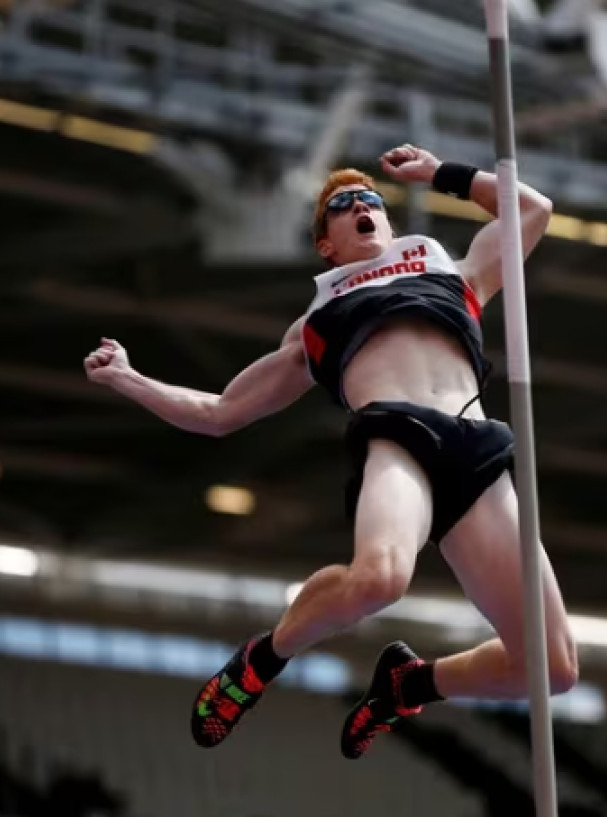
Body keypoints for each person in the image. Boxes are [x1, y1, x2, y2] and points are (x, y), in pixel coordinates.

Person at [83, 144, 579, 759]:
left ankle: (410, 684)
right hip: (399, 438)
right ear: (327, 245)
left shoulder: (453, 271)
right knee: (380, 578)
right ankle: (263, 659)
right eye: (345, 205)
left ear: (390, 221)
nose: (362, 205)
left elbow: (531, 209)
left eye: (371, 200)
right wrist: (131, 379)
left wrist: (436, 173)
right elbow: (220, 414)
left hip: (476, 449)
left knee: (553, 669)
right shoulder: (316, 319)